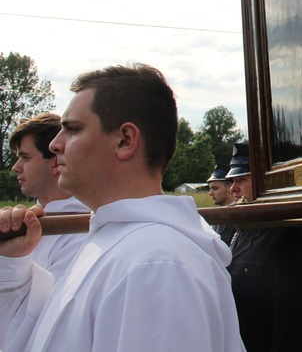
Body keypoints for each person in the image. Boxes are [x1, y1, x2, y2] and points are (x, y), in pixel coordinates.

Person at [0, 63, 244, 352]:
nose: (55, 144)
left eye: (73, 130)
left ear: (125, 140)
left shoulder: (158, 267)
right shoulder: (117, 243)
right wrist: (12, 267)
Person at [226, 143, 302, 351]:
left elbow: (295, 329)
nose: (233, 188)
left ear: (265, 180)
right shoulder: (244, 230)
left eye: (242, 179)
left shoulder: (290, 236)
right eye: (233, 181)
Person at [9, 113, 90, 280]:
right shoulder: (26, 221)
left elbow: (49, 304)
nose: (16, 167)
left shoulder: (80, 233)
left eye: (25, 157)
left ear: (55, 162)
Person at [207, 163, 235, 246]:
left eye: (215, 188)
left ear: (230, 188)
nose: (210, 193)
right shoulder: (218, 216)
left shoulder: (237, 217)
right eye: (210, 189)